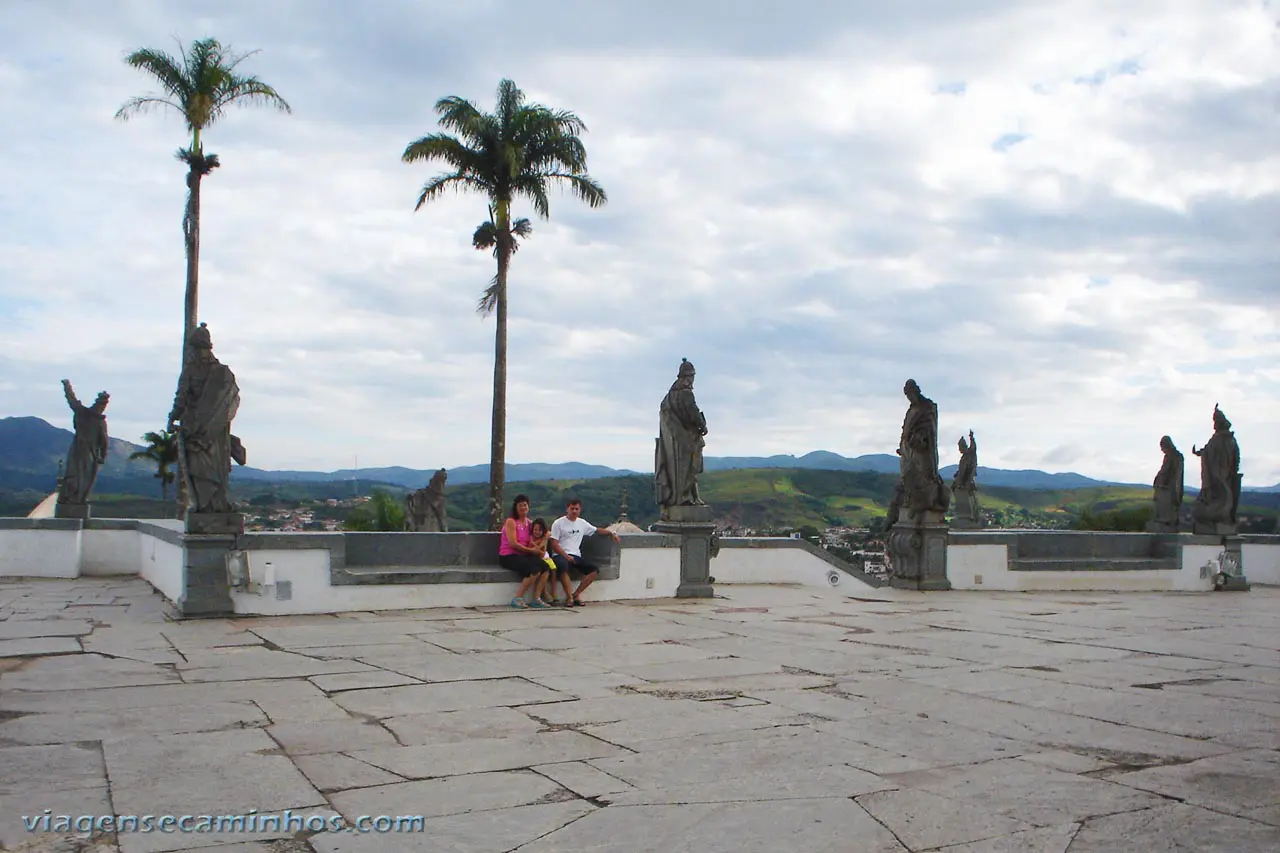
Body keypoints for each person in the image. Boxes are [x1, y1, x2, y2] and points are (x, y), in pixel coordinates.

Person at [655, 358, 708, 511]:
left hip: (676, 440)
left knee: (685, 470)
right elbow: (693, 412)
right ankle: (687, 497)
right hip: (688, 438)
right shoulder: (686, 394)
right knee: (691, 469)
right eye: (691, 377)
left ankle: (691, 497)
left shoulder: (669, 397)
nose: (692, 380)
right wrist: (702, 426)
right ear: (687, 377)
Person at [550, 498, 620, 606]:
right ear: (567, 509)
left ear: (580, 510)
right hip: (560, 554)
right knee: (563, 567)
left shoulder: (582, 523)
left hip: (576, 555)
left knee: (594, 570)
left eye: (576, 509)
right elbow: (554, 544)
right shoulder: (558, 523)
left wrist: (612, 533)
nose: (574, 511)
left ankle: (576, 594)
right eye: (572, 508)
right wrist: (566, 556)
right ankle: (569, 598)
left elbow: (597, 530)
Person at [57, 379, 110, 507]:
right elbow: (72, 400)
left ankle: (77, 498)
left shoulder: (98, 421)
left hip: (87, 452)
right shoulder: (85, 414)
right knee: (75, 475)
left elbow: (104, 442)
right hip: (82, 450)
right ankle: (71, 498)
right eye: (101, 405)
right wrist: (67, 387)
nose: (102, 408)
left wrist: (102, 456)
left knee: (84, 478)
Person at [498, 495, 551, 609]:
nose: (523, 507)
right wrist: (532, 550)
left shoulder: (529, 523)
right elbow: (513, 543)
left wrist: (543, 541)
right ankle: (517, 598)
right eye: (520, 505)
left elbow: (546, 532)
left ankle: (537, 598)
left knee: (546, 567)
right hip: (509, 555)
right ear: (516, 507)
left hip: (523, 555)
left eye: (525, 505)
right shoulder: (511, 522)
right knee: (534, 570)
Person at [529, 518, 559, 605]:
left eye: (540, 530)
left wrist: (541, 542)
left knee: (553, 569)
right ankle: (544, 592)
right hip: (538, 558)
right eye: (535, 530)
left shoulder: (544, 537)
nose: (537, 532)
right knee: (544, 570)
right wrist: (540, 543)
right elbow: (538, 550)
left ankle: (553, 591)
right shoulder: (532, 538)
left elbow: (543, 549)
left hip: (546, 557)